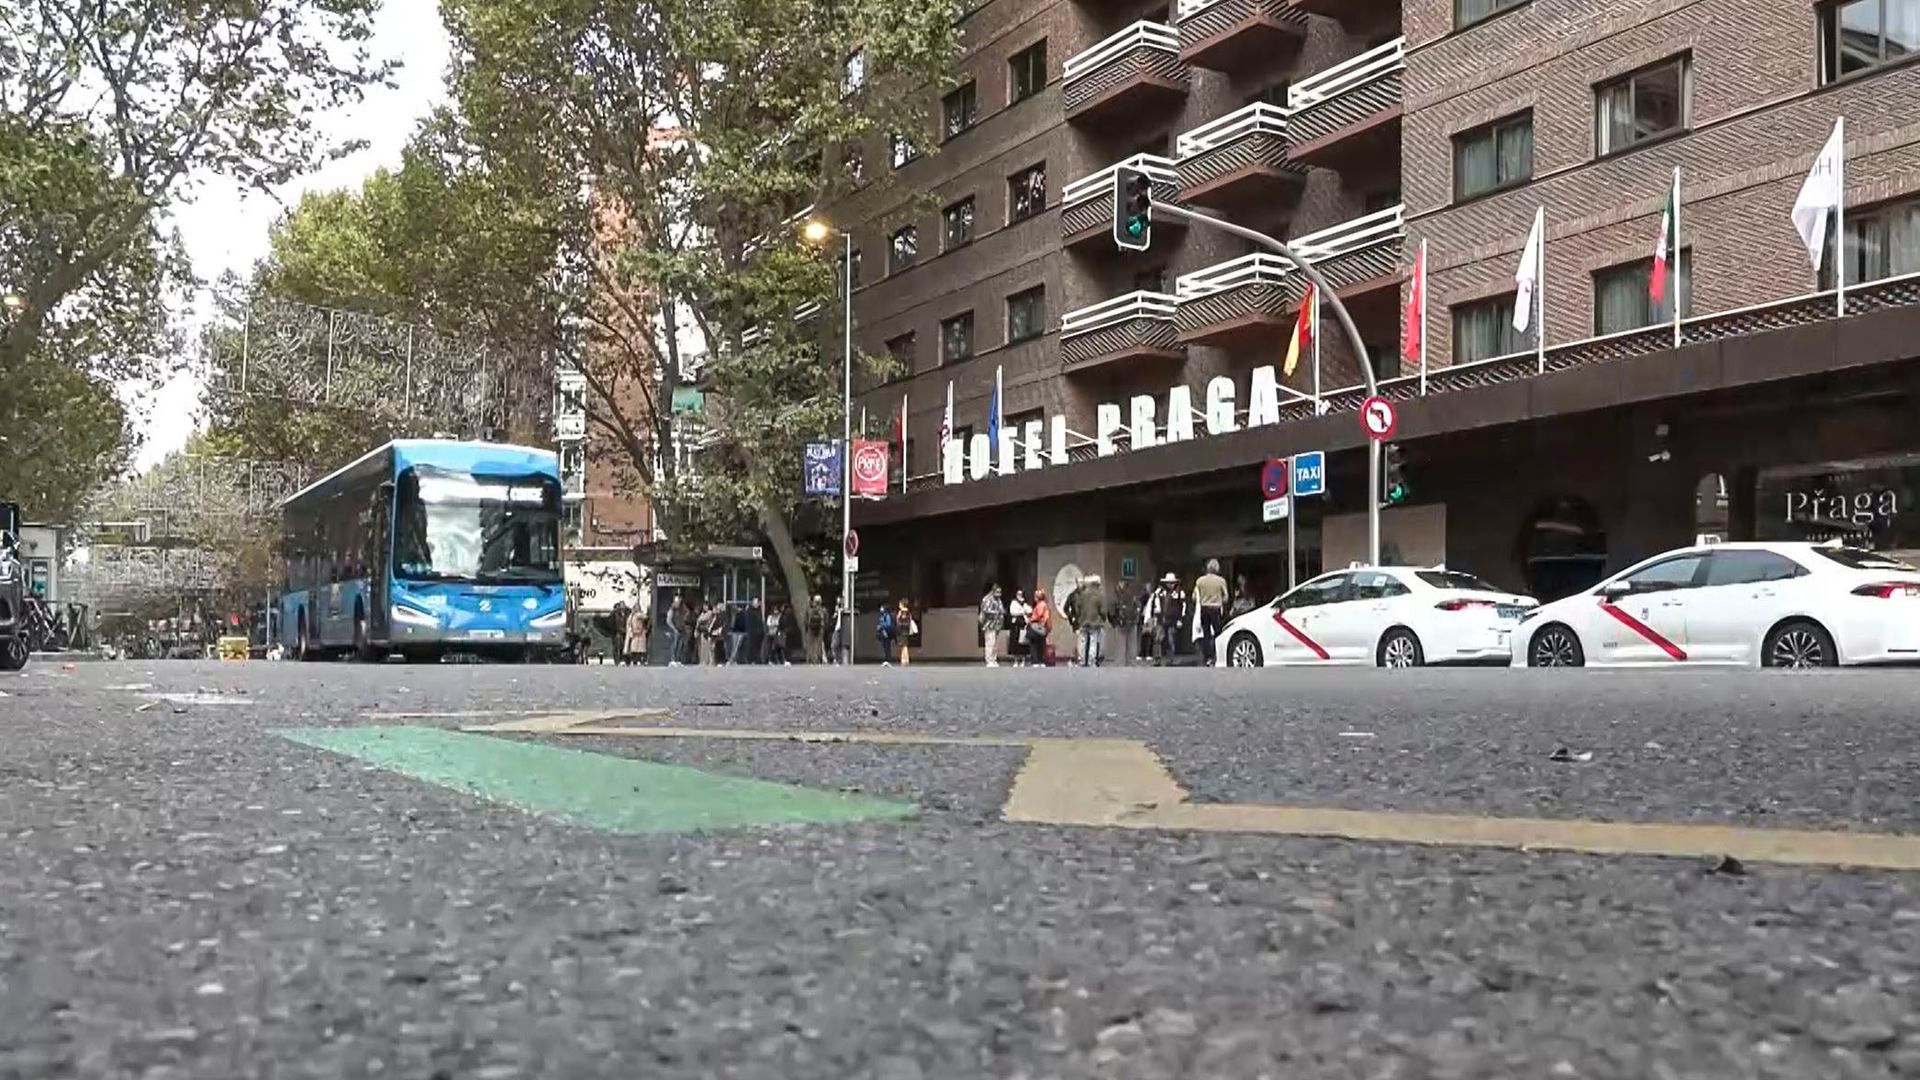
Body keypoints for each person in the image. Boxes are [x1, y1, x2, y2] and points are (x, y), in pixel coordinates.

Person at [1193, 558, 1230, 667]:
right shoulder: (1221, 581)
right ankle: (1217, 656)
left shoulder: (1200, 581)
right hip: (1216, 608)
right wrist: (1219, 600)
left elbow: (1194, 597)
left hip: (1204, 608)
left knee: (1206, 634)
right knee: (1218, 633)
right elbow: (1226, 597)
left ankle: (1207, 658)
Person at [1074, 574, 1106, 668]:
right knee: (1093, 641)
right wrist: (1103, 618)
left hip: (1083, 621)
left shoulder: (1082, 594)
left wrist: (1079, 616)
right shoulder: (1099, 594)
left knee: (1082, 641)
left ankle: (1082, 660)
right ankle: (1091, 662)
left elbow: (1077, 607)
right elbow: (1103, 610)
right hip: (1095, 622)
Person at [1154, 573, 1186, 666]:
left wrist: (1180, 619)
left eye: (1172, 583)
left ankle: (1171, 658)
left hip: (1173, 619)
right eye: (1168, 583)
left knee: (1171, 639)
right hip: (1161, 618)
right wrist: (1156, 615)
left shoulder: (1179, 593)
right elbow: (1156, 604)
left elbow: (1183, 606)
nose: (1170, 585)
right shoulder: (1159, 592)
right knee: (1158, 639)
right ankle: (1157, 659)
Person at [1111, 580, 1141, 667]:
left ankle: (1120, 664)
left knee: (1121, 645)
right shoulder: (1133, 593)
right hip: (1132, 622)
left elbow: (1111, 609)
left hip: (1121, 623)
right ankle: (1131, 663)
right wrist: (1136, 619)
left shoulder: (1117, 594)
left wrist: (1114, 622)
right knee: (1132, 644)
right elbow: (1138, 606)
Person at [978, 583, 1006, 667]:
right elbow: (986, 610)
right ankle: (989, 660)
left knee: (995, 643)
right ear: (993, 591)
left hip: (997, 624)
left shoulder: (998, 600)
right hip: (989, 624)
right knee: (990, 642)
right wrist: (997, 612)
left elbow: (1001, 609)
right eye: (997, 592)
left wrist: (1002, 612)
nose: (999, 594)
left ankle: (994, 659)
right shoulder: (987, 599)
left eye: (1000, 592)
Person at [1026, 588, 1053, 667]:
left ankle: (1035, 661)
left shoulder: (1040, 605)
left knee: (1034, 644)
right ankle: (1040, 660)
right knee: (1041, 644)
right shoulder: (1045, 604)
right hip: (1042, 628)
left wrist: (1030, 619)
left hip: (1037, 627)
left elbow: (1038, 616)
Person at [1006, 589, 1031, 667]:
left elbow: (1030, 610)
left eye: (1021, 594)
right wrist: (1022, 611)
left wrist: (1023, 608)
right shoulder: (1013, 602)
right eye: (1018, 594)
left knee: (1023, 643)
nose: (1020, 596)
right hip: (1015, 626)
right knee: (1015, 643)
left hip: (1023, 626)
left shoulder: (1025, 603)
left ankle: (1023, 660)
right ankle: (1016, 661)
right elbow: (1013, 612)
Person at [663, 595, 686, 666]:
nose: (679, 603)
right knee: (674, 645)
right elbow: (668, 621)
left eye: (679, 602)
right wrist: (674, 629)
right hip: (674, 630)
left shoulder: (680, 609)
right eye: (678, 601)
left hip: (680, 629)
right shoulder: (672, 609)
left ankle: (678, 659)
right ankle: (673, 660)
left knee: (680, 645)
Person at [626, 602, 652, 668]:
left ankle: (637, 661)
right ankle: (637, 661)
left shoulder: (633, 615)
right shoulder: (635, 615)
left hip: (638, 633)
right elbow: (645, 617)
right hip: (637, 633)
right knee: (637, 649)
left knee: (637, 648)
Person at [805, 595, 828, 664]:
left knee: (811, 644)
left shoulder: (809, 610)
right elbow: (826, 620)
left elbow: (806, 620)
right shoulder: (823, 610)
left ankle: (811, 659)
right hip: (820, 628)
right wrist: (824, 627)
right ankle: (818, 659)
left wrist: (807, 627)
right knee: (819, 644)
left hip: (811, 628)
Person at [896, 599, 915, 666]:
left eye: (900, 604)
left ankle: (904, 659)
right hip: (906, 630)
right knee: (905, 645)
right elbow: (909, 621)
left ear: (902, 604)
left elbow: (898, 621)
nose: (899, 605)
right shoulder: (909, 613)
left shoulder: (901, 612)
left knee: (904, 646)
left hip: (902, 631)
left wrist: (898, 618)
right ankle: (906, 659)